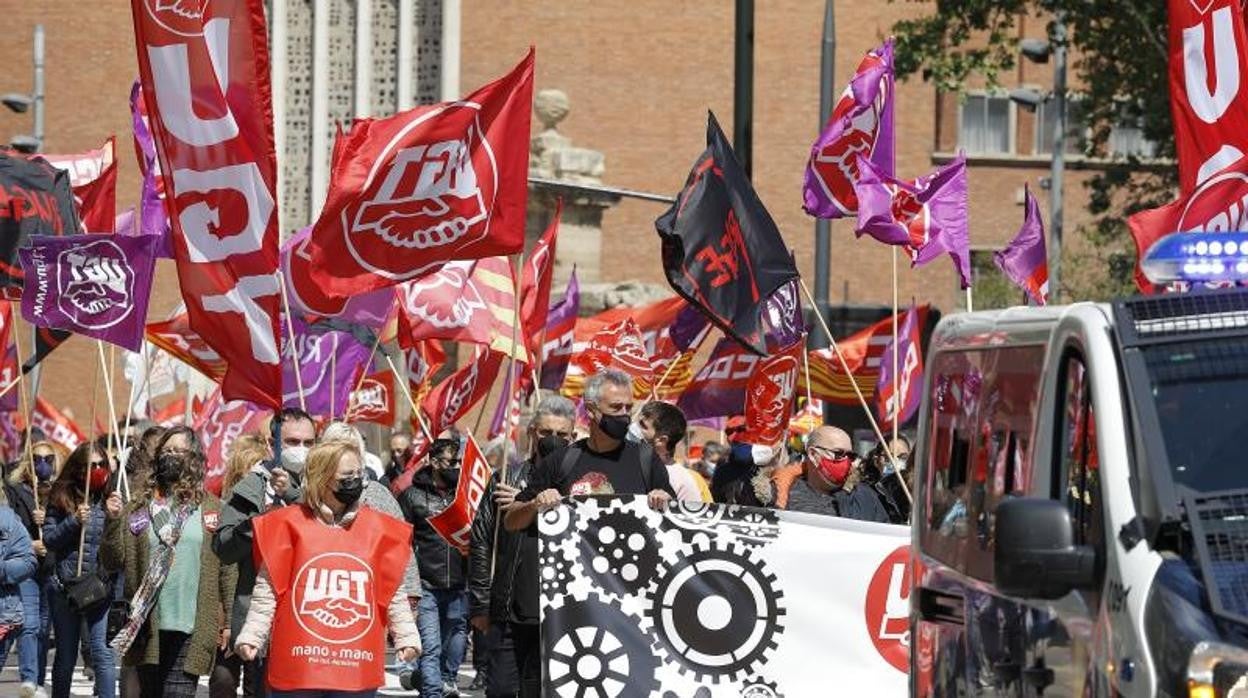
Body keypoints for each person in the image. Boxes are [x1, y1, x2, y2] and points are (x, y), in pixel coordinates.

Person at [505, 369, 674, 697]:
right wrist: (536, 505)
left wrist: (666, 502)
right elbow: (512, 521)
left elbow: (675, 527)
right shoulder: (563, 460)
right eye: (616, 409)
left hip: (628, 607)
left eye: (629, 408)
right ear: (592, 411)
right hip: (571, 609)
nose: (625, 416)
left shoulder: (644, 459)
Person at [236, 440, 420, 697]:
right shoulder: (288, 525)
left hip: (355, 661)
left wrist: (407, 637)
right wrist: (252, 635)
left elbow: (393, 591)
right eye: (347, 476)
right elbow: (268, 589)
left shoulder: (379, 530)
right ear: (322, 479)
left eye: (359, 474)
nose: (356, 481)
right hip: (299, 663)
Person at [102, 427, 237, 698]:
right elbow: (112, 560)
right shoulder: (139, 507)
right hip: (146, 625)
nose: (171, 457)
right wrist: (113, 521)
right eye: (166, 451)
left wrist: (230, 622)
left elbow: (227, 570)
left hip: (192, 625)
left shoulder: (213, 509)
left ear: (194, 458)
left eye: (179, 451)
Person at [470, 396, 575, 698]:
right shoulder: (505, 478)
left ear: (573, 438)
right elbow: (481, 540)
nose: (552, 440)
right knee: (501, 689)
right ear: (531, 433)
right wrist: (480, 602)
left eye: (561, 435)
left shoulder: (583, 483)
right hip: (510, 608)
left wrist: (525, 499)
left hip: (562, 610)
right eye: (545, 433)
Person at [43, 442, 123, 698]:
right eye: (92, 465)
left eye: (102, 465)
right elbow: (49, 539)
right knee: (66, 655)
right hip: (65, 587)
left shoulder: (113, 497)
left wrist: (115, 518)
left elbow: (120, 549)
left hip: (99, 589)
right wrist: (74, 521)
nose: (98, 470)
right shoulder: (60, 496)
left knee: (101, 651)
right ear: (79, 469)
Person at [398, 438, 469, 698]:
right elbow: (402, 539)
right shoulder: (412, 496)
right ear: (434, 462)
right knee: (431, 645)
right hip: (426, 583)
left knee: (455, 641)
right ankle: (432, 692)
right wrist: (407, 582)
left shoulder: (464, 494)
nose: (456, 467)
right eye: (451, 462)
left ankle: (442, 679)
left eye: (459, 462)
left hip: (460, 582)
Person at [209, 433, 270, 698]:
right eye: (250, 468)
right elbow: (221, 568)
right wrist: (224, 624)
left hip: (258, 608)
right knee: (223, 680)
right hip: (229, 610)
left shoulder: (273, 508)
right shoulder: (226, 510)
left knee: (257, 684)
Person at [3, 440, 60, 697]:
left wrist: (47, 516)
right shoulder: (16, 490)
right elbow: (10, 527)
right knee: (30, 624)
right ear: (28, 461)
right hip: (27, 568)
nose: (43, 464)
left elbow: (67, 526)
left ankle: (37, 680)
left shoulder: (60, 491)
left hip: (51, 568)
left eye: (48, 459)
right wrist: (31, 538)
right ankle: (28, 679)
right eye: (37, 459)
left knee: (43, 630)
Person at [781, 426, 893, 521]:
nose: (846, 461)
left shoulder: (867, 498)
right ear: (813, 454)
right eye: (838, 453)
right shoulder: (781, 492)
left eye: (850, 456)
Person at [0, 473, 38, 697]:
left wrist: (2, 570)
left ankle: (31, 676)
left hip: (3, 612)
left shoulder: (6, 520)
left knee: (31, 630)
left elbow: (27, 560)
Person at [632, 401, 709, 503]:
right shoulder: (627, 461)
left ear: (661, 440)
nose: (634, 427)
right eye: (637, 421)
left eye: (643, 426)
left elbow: (692, 517)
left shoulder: (683, 481)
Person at [863, 436, 914, 524]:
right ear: (876, 461)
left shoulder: (914, 492)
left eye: (903, 457)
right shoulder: (866, 494)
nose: (895, 462)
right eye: (888, 457)